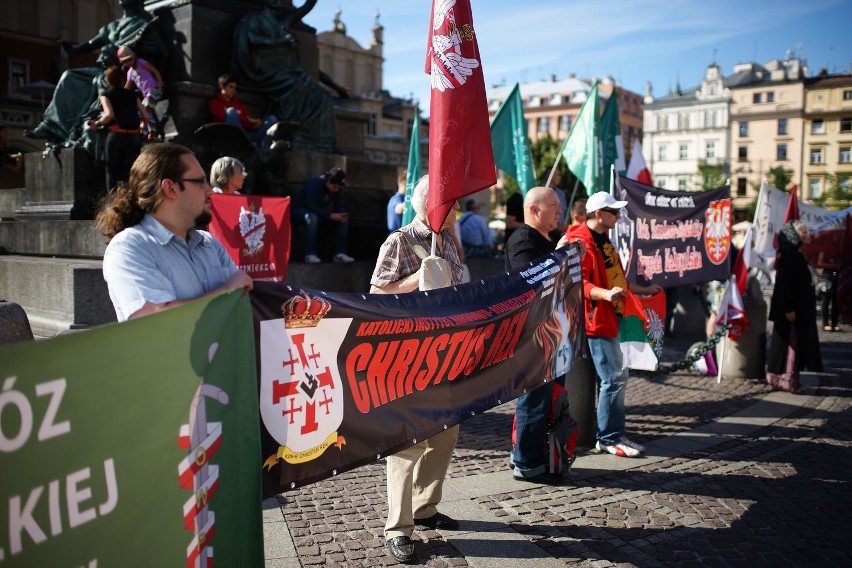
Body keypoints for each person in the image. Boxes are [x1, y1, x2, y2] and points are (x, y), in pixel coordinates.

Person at [370, 174, 462, 565]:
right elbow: (376, 295)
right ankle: (398, 528)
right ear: (431, 205)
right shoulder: (398, 240)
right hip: (409, 357)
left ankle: (425, 508)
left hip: (447, 354)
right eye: (451, 203)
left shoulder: (451, 239)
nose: (457, 209)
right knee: (407, 445)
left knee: (445, 436)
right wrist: (416, 280)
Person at [96, 143, 253, 322]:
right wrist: (228, 290)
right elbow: (155, 320)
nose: (210, 190)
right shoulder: (129, 247)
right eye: (200, 182)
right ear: (170, 188)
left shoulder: (210, 244)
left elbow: (242, 300)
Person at [566, 191, 662, 458]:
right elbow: (578, 283)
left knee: (615, 378)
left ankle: (612, 434)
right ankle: (609, 438)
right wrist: (605, 295)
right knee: (614, 378)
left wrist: (642, 289)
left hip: (613, 315)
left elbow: (616, 278)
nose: (619, 216)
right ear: (599, 214)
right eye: (614, 212)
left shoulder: (603, 241)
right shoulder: (580, 240)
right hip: (598, 319)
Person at [505, 186, 577, 484]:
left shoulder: (546, 239)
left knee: (549, 397)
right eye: (554, 205)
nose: (560, 211)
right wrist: (560, 255)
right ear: (535, 210)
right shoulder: (522, 239)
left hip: (554, 332)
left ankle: (540, 454)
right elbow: (529, 284)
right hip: (533, 335)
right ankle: (526, 462)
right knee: (534, 397)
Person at [27, 0, 167, 148]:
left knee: (101, 83)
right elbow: (91, 44)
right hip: (105, 70)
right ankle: (52, 126)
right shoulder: (114, 26)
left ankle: (85, 130)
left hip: (122, 73)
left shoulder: (144, 23)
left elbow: (159, 51)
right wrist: (73, 49)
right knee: (69, 76)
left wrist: (130, 57)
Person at [232, 0, 337, 152]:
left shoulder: (281, 21)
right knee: (299, 88)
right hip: (269, 71)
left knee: (324, 97)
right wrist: (281, 41)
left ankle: (321, 142)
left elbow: (304, 8)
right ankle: (297, 133)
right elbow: (253, 39)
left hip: (290, 72)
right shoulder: (254, 19)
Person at [766, 220, 823, 393]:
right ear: (795, 235)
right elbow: (784, 285)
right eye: (804, 232)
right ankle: (785, 380)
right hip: (791, 311)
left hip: (800, 308)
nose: (808, 234)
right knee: (790, 347)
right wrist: (789, 308)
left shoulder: (797, 254)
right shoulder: (790, 256)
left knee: (796, 346)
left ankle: (791, 380)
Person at [87, 65, 148, 194]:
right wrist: (143, 126)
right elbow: (146, 115)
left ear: (108, 80)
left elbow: (108, 115)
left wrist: (96, 124)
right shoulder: (133, 95)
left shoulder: (106, 94)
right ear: (122, 79)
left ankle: (113, 204)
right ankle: (132, 200)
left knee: (111, 171)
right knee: (130, 171)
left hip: (117, 135)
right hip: (134, 136)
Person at [290, 167, 354, 264]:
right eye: (334, 187)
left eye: (338, 188)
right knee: (312, 218)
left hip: (318, 212)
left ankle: (340, 253)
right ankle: (310, 254)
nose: (336, 190)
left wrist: (342, 214)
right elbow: (311, 206)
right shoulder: (315, 183)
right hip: (300, 211)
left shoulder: (337, 189)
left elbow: (339, 206)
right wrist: (331, 215)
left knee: (341, 220)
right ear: (328, 181)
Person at [208, 74, 278, 150]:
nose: (233, 90)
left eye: (235, 88)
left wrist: (253, 125)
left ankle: (263, 147)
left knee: (272, 119)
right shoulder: (214, 103)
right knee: (231, 111)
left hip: (247, 136)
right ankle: (252, 146)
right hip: (231, 138)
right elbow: (222, 118)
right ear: (222, 86)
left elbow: (246, 122)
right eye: (231, 87)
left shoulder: (238, 104)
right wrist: (247, 120)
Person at [117, 45, 163, 141]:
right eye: (125, 61)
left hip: (154, 89)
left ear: (133, 57)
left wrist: (160, 81)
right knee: (142, 112)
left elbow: (154, 70)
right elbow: (127, 87)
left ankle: (152, 133)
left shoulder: (140, 62)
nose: (128, 62)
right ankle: (147, 134)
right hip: (146, 95)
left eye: (129, 59)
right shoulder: (130, 72)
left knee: (145, 110)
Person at [542, 169, 568, 241]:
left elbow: (564, 213)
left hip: (560, 233)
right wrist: (558, 227)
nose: (560, 177)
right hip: (547, 232)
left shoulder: (561, 193)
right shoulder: (541, 193)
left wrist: (564, 228)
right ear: (549, 176)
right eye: (557, 174)